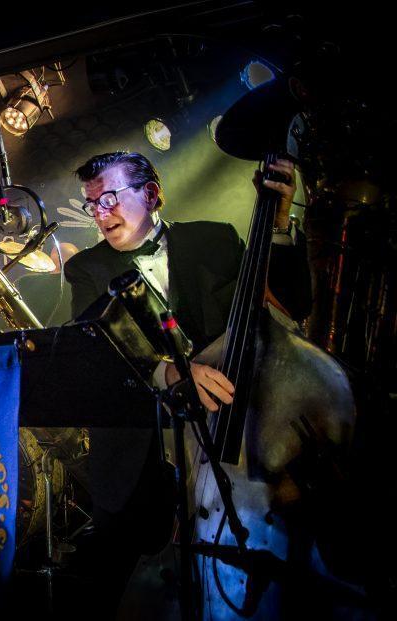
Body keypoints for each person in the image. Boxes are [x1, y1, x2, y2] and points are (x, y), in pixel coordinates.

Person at [63, 151, 310, 617]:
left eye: (111, 197)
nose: (100, 213)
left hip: (231, 446)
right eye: (92, 204)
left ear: (152, 195)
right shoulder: (86, 269)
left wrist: (277, 223)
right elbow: (98, 353)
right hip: (139, 464)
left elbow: (294, 303)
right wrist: (172, 372)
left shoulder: (213, 240)